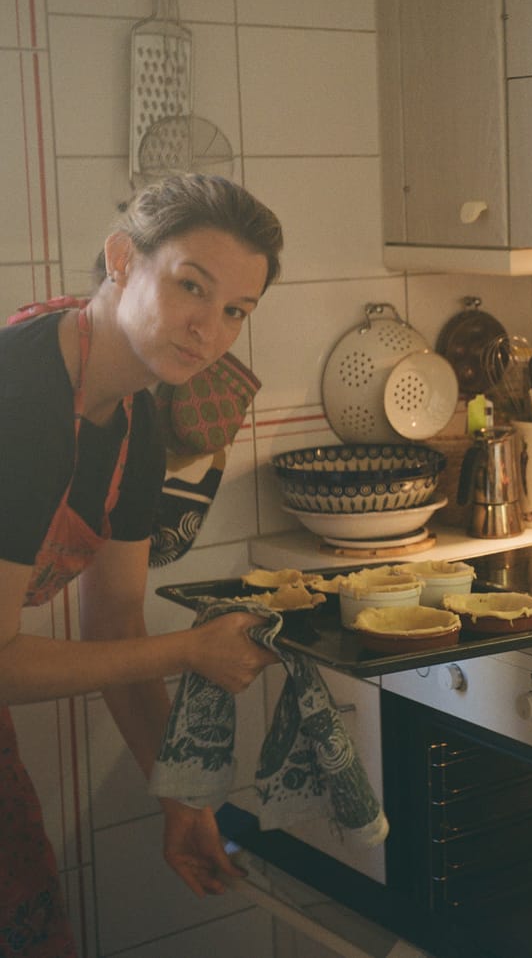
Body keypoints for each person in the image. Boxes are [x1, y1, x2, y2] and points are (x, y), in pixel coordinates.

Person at [0, 174, 284, 957]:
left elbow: (116, 618)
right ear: (122, 258)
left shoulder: (136, 419)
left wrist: (179, 791)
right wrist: (192, 648)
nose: (209, 329)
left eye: (235, 311)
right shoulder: (23, 394)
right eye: (191, 286)